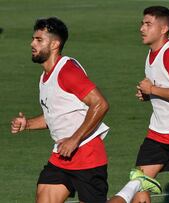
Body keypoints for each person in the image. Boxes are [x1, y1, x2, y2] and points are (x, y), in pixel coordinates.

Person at [10, 17, 110, 203]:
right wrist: (28, 123)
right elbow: (55, 116)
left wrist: (74, 139)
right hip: (61, 156)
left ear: (55, 44)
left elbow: (100, 104)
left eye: (39, 40)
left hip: (88, 157)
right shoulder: (46, 76)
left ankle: (131, 189)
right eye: (33, 39)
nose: (32, 43)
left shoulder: (67, 71)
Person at [108, 6, 169, 203]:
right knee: (139, 185)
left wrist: (152, 90)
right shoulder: (152, 53)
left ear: (163, 29)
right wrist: (149, 94)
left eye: (148, 24)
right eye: (142, 23)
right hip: (158, 134)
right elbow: (165, 88)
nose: (142, 28)